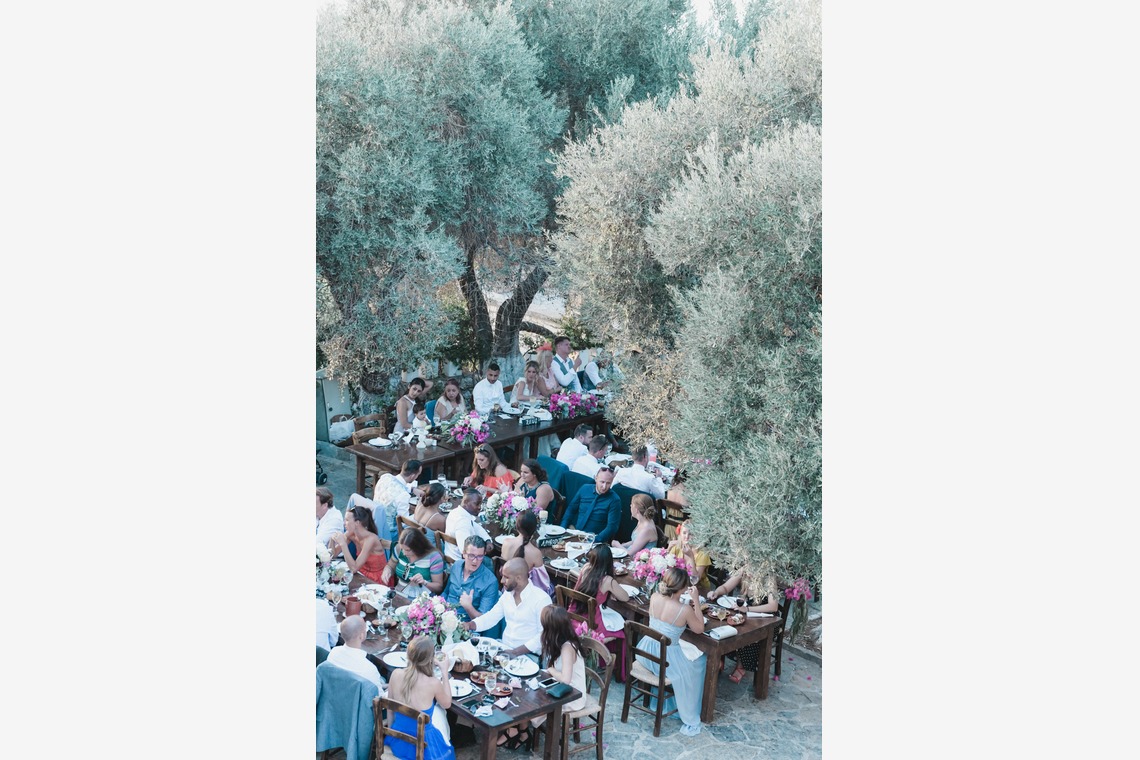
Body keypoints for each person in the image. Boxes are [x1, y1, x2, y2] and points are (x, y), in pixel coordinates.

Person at [505, 606, 588, 750]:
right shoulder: (558, 641)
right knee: (524, 690)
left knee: (529, 700)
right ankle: (520, 731)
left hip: (571, 695)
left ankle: (519, 731)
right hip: (559, 687)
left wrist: (550, 669)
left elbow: (566, 679)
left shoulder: (567, 647)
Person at [637, 567, 707, 737]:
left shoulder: (654, 597)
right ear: (682, 588)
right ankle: (689, 706)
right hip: (664, 658)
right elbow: (699, 629)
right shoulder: (685, 609)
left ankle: (662, 697)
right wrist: (696, 601)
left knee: (686, 649)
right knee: (701, 660)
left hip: (646, 651)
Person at [384, 635, 455, 760]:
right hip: (423, 746)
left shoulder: (396, 674)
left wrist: (393, 735)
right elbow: (447, 704)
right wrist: (444, 672)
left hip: (398, 741)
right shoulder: (433, 683)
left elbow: (390, 710)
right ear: (430, 659)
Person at [463, 558, 552, 656]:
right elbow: (491, 617)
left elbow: (543, 636)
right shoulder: (507, 595)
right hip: (505, 650)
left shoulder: (541, 600)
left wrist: (515, 652)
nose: (502, 581)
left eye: (506, 577)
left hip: (529, 655)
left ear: (518, 578)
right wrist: (469, 625)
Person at [707, 568, 780, 684]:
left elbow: (773, 607)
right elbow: (726, 587)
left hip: (767, 618)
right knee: (726, 625)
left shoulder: (769, 577)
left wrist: (747, 609)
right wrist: (717, 592)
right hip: (747, 613)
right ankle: (720, 659)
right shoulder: (744, 570)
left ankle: (741, 666)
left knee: (747, 633)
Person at [571, 544, 630, 680]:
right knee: (622, 632)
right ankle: (618, 671)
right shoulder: (607, 580)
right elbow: (625, 597)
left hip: (575, 615)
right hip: (591, 624)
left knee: (613, 619)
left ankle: (600, 661)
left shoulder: (585, 569)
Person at [442, 535, 500, 624]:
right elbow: (446, 592)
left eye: (480, 556)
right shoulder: (457, 566)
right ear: (464, 553)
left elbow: (484, 621)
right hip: (443, 616)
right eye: (471, 556)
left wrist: (468, 607)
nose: (475, 561)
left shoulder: (490, 582)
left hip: (466, 625)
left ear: (484, 554)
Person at [499, 510, 554, 597]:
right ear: (534, 529)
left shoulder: (506, 543)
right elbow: (542, 583)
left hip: (506, 588)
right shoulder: (535, 553)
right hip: (524, 594)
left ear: (517, 526)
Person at [560, 466, 621, 544]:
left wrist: (594, 540)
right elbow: (571, 509)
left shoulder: (614, 500)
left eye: (608, 483)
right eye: (602, 482)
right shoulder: (585, 489)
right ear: (596, 479)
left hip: (595, 539)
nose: (604, 486)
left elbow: (612, 527)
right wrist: (562, 529)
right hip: (576, 533)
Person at [326, 616, 386, 693]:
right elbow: (378, 698)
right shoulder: (369, 669)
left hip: (334, 697)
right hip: (357, 703)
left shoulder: (333, 653)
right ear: (361, 636)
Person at [329, 506, 387, 583]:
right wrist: (332, 539)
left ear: (357, 523)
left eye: (346, 520)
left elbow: (353, 569)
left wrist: (343, 544)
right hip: (360, 574)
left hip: (376, 579)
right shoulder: (351, 534)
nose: (344, 523)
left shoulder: (371, 539)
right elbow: (333, 555)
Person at [372, 460, 425, 543]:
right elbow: (405, 522)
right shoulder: (403, 495)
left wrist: (413, 489)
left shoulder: (385, 477)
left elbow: (396, 485)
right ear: (412, 476)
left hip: (374, 522)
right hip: (390, 533)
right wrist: (420, 511)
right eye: (418, 475)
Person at [381, 527, 446, 594]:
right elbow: (390, 566)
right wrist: (387, 570)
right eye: (402, 549)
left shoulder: (434, 557)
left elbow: (438, 587)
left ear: (418, 547)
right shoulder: (398, 549)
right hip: (399, 593)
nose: (404, 553)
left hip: (422, 598)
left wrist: (424, 582)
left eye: (408, 550)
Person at [443, 488, 491, 564]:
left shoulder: (456, 512)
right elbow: (466, 552)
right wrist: (484, 549)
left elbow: (475, 526)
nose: (479, 507)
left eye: (480, 504)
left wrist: (487, 540)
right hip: (459, 563)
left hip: (451, 555)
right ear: (465, 502)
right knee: (491, 562)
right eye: (476, 504)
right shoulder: (462, 523)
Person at [667, 520, 712, 594]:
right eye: (684, 533)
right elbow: (667, 568)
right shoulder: (677, 547)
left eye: (691, 534)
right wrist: (668, 549)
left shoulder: (703, 553)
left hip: (699, 590)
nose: (687, 537)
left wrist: (691, 557)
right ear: (680, 534)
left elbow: (695, 580)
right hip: (679, 586)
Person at [412, 482, 449, 547]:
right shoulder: (440, 519)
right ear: (442, 498)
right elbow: (445, 539)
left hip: (414, 542)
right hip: (428, 549)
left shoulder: (420, 504)